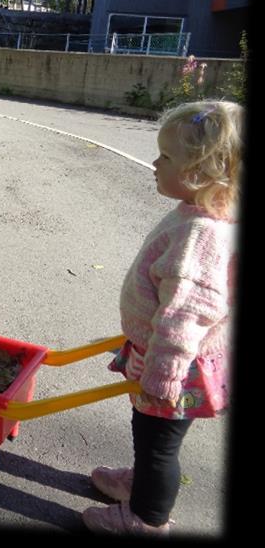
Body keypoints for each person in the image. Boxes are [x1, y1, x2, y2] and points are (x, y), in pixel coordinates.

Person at [83, 99, 243, 536]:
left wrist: (164, 371)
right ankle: (141, 485)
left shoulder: (201, 234)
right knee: (151, 436)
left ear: (199, 174)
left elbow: (188, 313)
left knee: (159, 445)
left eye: (166, 157)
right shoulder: (200, 216)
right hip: (166, 356)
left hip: (176, 365)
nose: (155, 163)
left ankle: (147, 519)